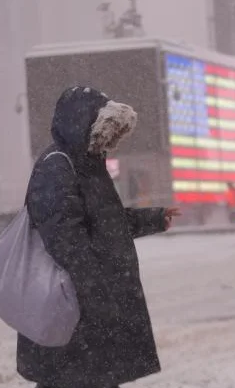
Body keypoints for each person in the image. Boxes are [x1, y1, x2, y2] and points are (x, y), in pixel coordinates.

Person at [17, 86, 180, 388]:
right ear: (82, 123)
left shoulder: (87, 164)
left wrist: (153, 218)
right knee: (73, 379)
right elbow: (64, 237)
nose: (108, 139)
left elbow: (105, 222)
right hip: (73, 304)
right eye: (102, 126)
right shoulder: (58, 165)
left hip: (91, 303)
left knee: (92, 378)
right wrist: (93, 288)